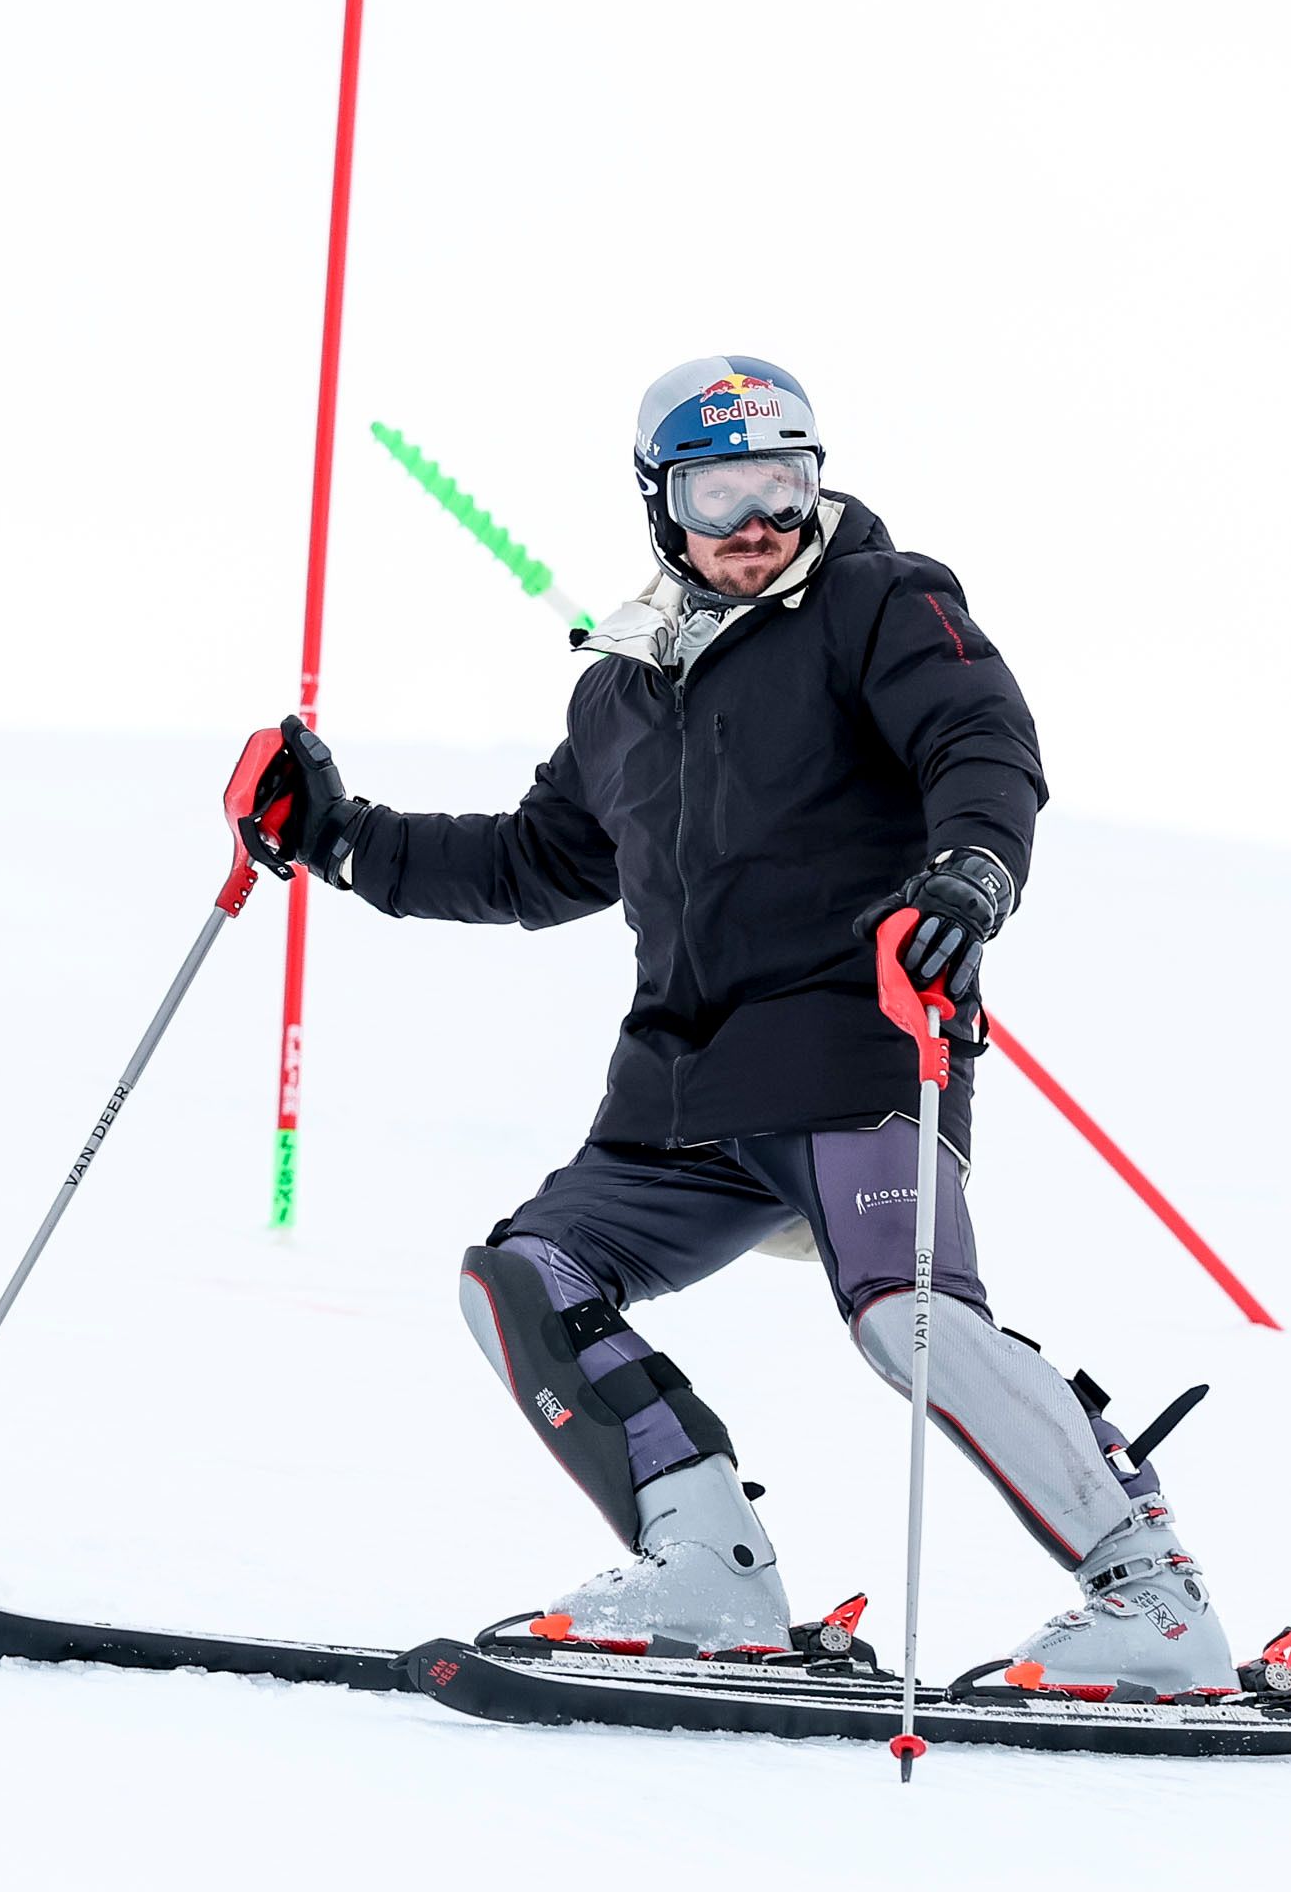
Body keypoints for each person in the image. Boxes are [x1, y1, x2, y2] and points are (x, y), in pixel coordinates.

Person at [240, 358, 1236, 1697]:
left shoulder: (882, 604)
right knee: (523, 1280)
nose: (756, 518)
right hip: (679, 1088)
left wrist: (972, 872)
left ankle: (1152, 1600)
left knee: (913, 1321)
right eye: (721, 490)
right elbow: (536, 863)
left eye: (783, 481)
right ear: (664, 504)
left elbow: (979, 739)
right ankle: (707, 1569)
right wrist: (336, 842)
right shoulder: (621, 691)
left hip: (857, 1049)